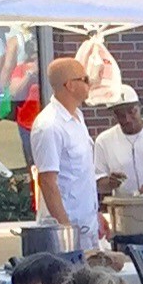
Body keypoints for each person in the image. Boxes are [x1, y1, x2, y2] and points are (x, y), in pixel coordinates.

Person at [28, 58, 100, 251]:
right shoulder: (49, 125)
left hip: (86, 226)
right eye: (84, 79)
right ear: (70, 85)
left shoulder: (77, 117)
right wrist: (66, 232)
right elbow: (48, 182)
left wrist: (96, 214)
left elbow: (80, 175)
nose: (89, 83)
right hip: (64, 232)